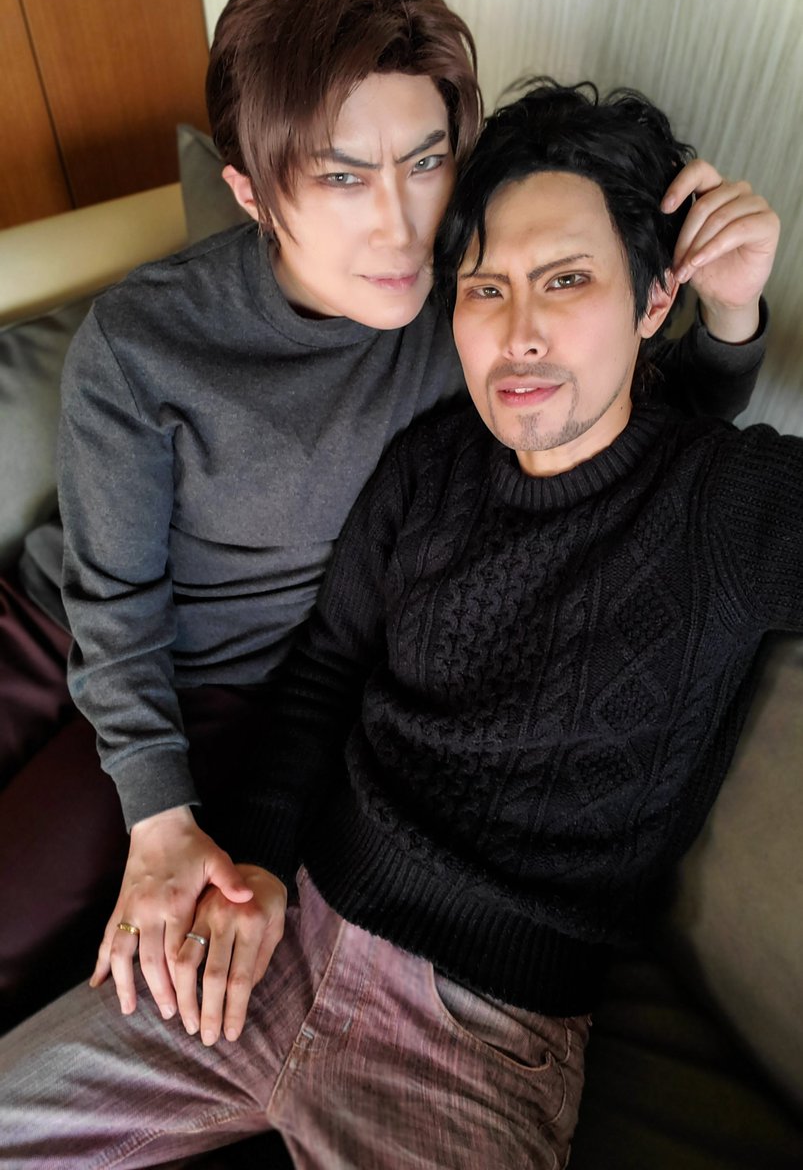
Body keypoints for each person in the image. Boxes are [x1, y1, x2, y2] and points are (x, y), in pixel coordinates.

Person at [0, 77, 793, 1170]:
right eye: (484, 288)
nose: (518, 336)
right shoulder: (429, 462)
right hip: (280, 928)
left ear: (655, 301)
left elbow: (650, 462)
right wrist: (260, 863)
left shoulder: (729, 500)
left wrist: (738, 313)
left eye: (566, 280)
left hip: (477, 1035)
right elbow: (321, 677)